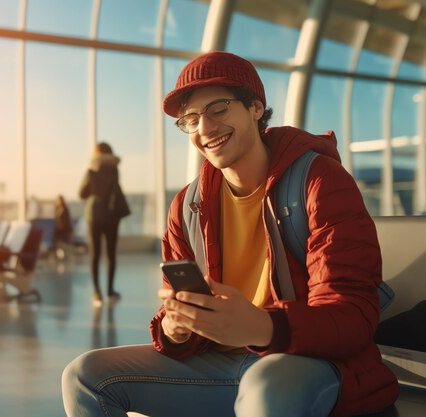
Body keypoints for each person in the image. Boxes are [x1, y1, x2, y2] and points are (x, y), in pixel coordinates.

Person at [62, 51, 398, 417]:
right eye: (191, 120)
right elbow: (180, 316)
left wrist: (265, 327)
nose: (204, 129)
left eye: (218, 109)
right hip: (221, 367)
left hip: (304, 361)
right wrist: (175, 328)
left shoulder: (319, 182)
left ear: (255, 108)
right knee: (85, 376)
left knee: (266, 386)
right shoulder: (188, 205)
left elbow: (352, 316)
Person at [79, 143, 126, 306]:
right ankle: (110, 291)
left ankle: (96, 293)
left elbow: (81, 193)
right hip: (112, 214)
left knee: (95, 254)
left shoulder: (91, 171)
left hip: (94, 214)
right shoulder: (114, 170)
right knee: (111, 254)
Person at [53, 195, 73, 260]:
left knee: (64, 245)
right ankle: (59, 256)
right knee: (58, 244)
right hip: (58, 230)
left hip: (64, 230)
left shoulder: (65, 210)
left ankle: (63, 257)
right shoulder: (56, 209)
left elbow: (67, 220)